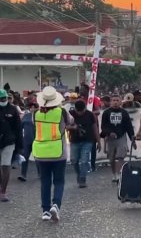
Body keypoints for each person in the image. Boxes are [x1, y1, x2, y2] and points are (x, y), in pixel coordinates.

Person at [33, 86, 71, 221]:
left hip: (41, 153)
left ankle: (45, 211)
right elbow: (70, 122)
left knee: (45, 182)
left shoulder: (35, 113)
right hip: (58, 152)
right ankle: (56, 204)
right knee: (59, 181)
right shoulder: (62, 112)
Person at [101, 94, 136, 183]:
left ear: (120, 102)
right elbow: (103, 126)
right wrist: (109, 133)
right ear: (111, 102)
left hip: (121, 137)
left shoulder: (124, 113)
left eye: (117, 100)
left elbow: (129, 126)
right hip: (110, 138)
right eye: (113, 100)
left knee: (120, 156)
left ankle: (118, 173)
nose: (115, 102)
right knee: (111, 158)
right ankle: (114, 173)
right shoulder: (106, 113)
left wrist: (132, 138)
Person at [69, 100, 101, 188]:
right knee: (74, 160)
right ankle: (78, 174)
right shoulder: (70, 114)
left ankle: (83, 178)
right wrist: (72, 127)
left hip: (87, 141)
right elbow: (64, 125)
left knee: (84, 160)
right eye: (77, 111)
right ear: (75, 109)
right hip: (75, 141)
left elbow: (95, 128)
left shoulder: (90, 115)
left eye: (81, 111)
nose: (79, 113)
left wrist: (98, 141)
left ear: (85, 108)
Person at [0, 89, 23, 202]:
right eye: (1, 99)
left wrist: (20, 146)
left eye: (4, 98)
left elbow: (18, 128)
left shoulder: (13, 110)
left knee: (5, 166)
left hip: (9, 142)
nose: (2, 100)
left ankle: (3, 192)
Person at [18, 102, 40, 182]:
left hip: (37, 140)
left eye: (35, 107)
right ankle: (23, 174)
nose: (33, 108)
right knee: (25, 158)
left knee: (38, 158)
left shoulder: (40, 116)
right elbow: (20, 127)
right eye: (31, 107)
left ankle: (40, 174)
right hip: (26, 140)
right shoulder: (26, 116)